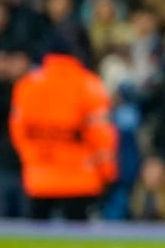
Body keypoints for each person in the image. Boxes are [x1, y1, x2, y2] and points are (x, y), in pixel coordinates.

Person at [8, 38, 117, 221]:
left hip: (39, 176)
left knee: (35, 241)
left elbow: (18, 131)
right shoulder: (88, 85)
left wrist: (31, 158)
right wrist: (107, 173)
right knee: (77, 243)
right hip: (78, 178)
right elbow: (101, 136)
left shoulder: (27, 85)